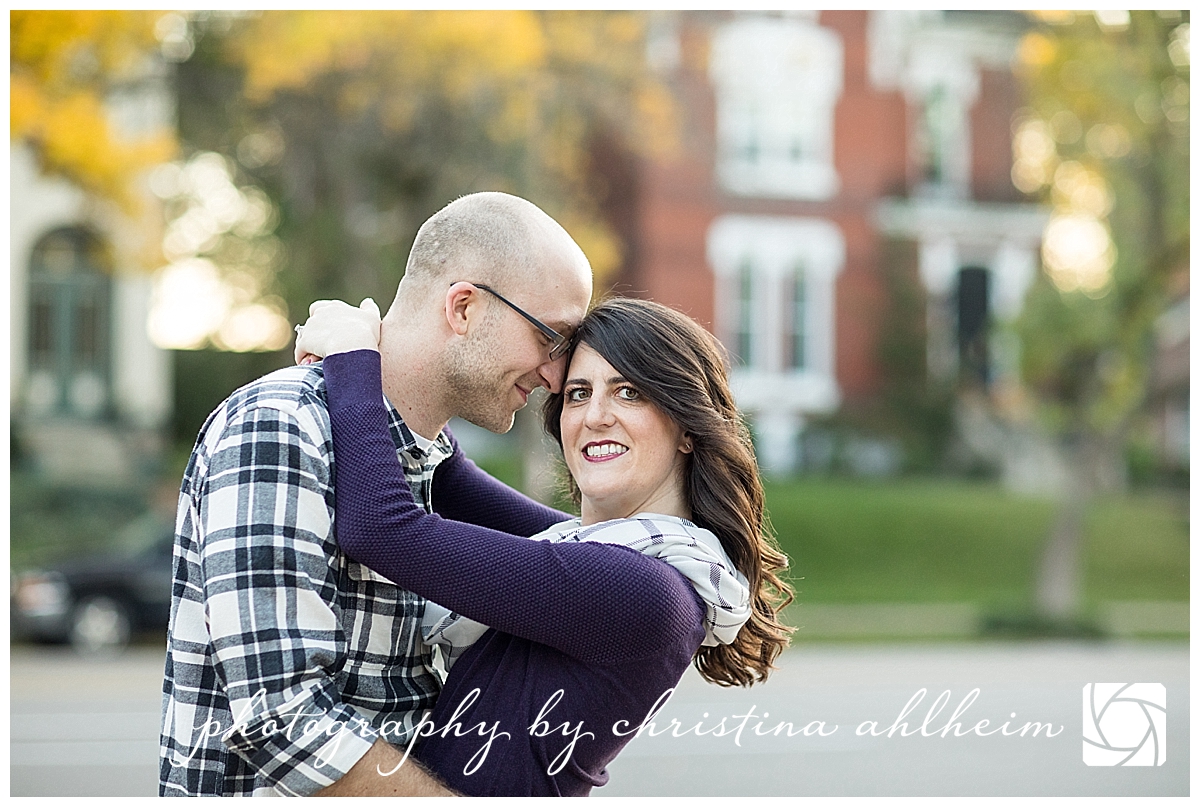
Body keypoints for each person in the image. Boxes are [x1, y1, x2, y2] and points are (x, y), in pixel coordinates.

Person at [158, 192, 594, 796]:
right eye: (553, 339)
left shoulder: (427, 457)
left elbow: (575, 560)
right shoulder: (282, 425)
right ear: (464, 308)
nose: (556, 375)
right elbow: (280, 721)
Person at [295, 295, 794, 795]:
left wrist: (353, 357)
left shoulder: (640, 590)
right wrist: (411, 349)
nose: (594, 415)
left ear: (688, 427)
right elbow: (449, 478)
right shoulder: (593, 553)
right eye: (578, 393)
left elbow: (382, 530)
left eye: (629, 393)